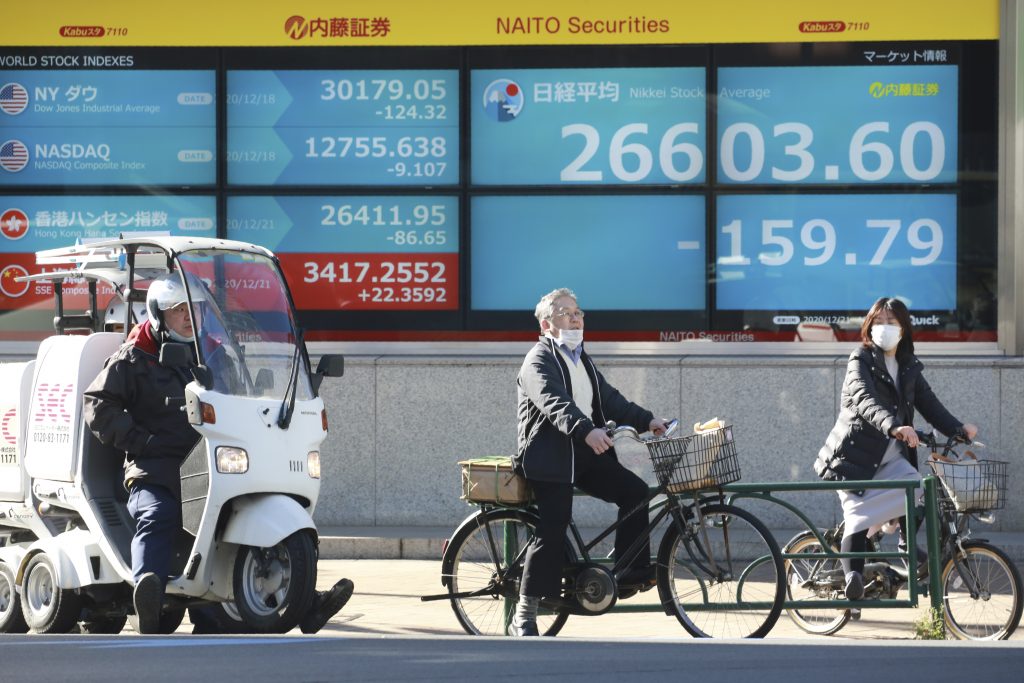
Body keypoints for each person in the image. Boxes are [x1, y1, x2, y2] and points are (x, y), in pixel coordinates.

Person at [84, 271, 353, 634]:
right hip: (155, 466)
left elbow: (240, 393)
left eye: (193, 309)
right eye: (179, 310)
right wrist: (141, 441)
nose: (187, 317)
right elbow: (97, 406)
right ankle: (148, 591)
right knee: (158, 514)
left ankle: (303, 602)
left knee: (238, 520)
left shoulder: (213, 352)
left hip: (213, 460)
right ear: (158, 314)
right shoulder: (134, 358)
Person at [512, 288, 670, 636]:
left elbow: (611, 400)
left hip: (582, 454)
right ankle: (525, 611)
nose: (576, 318)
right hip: (550, 458)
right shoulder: (538, 359)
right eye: (566, 313)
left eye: (578, 312)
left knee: (635, 492)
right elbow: (555, 403)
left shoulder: (581, 358)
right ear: (547, 323)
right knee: (554, 524)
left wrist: (648, 420)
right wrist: (587, 430)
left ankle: (627, 573)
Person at [814, 297, 978, 600]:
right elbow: (865, 399)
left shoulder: (907, 366)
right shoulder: (860, 358)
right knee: (858, 519)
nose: (884, 328)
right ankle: (853, 578)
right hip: (854, 458)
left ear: (904, 329)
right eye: (878, 321)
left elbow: (930, 404)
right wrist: (894, 426)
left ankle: (905, 542)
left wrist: (958, 429)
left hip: (890, 458)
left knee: (919, 488)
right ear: (869, 325)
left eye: (892, 322)